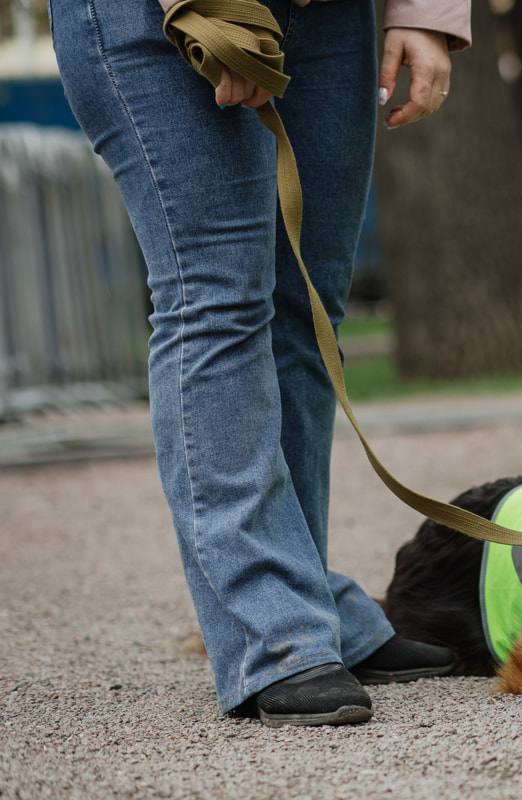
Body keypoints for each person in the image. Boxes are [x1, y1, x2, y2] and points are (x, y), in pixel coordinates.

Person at [50, 0, 471, 727]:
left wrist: (425, 10)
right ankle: (273, 631)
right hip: (157, 13)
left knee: (308, 306)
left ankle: (305, 598)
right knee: (216, 296)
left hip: (331, 16)